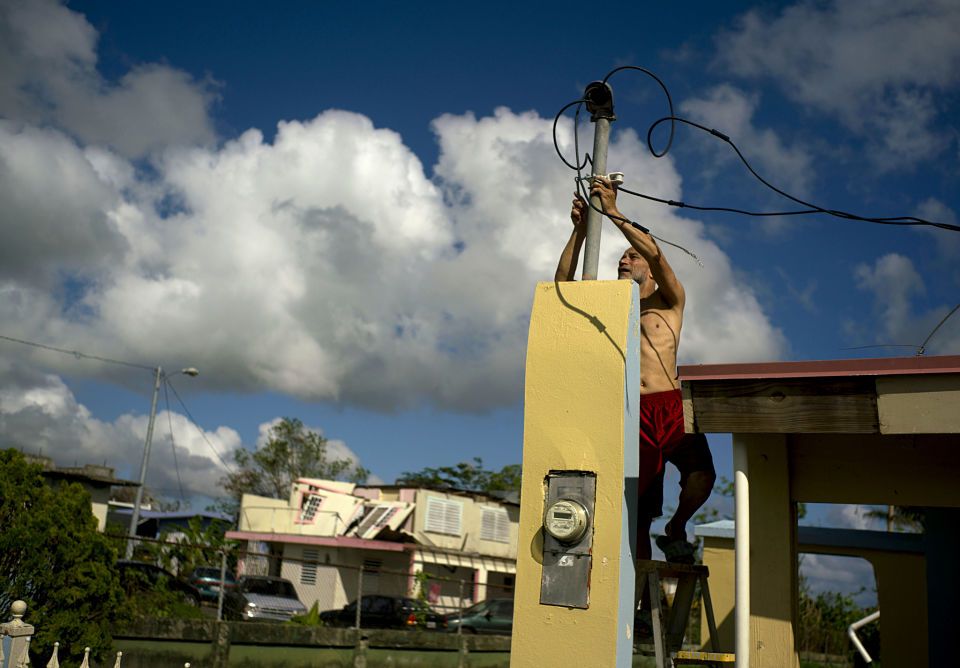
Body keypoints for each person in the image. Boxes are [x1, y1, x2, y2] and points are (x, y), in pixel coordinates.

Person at [554, 176, 716, 564]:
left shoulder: (669, 300)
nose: (624, 260)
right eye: (621, 258)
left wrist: (612, 212)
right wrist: (579, 231)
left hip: (672, 405)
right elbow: (562, 284)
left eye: (632, 256)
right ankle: (636, 604)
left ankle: (677, 526)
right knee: (637, 512)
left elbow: (658, 256)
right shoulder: (610, 309)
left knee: (702, 477)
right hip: (633, 412)